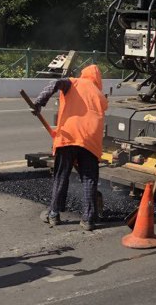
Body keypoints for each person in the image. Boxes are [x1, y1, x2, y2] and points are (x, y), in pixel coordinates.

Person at [30, 64, 108, 231]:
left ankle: (54, 214)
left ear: (84, 75)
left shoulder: (74, 82)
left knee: (61, 176)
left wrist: (39, 102)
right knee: (89, 178)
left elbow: (55, 83)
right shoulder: (100, 96)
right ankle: (88, 219)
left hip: (69, 136)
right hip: (91, 141)